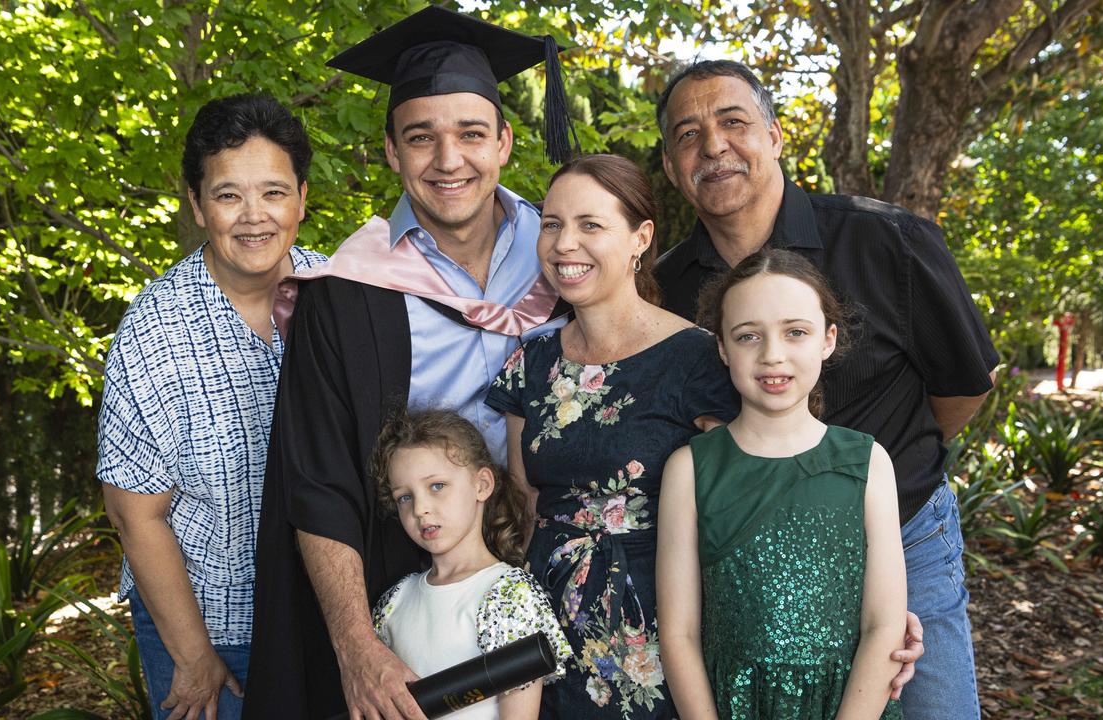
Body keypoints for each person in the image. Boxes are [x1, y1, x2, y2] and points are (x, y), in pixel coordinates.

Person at [241, 7, 581, 719]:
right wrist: (357, 645)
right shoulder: (349, 293)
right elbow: (318, 483)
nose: (448, 160)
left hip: (564, 580)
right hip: (411, 588)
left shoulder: (571, 260)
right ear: (392, 153)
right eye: (421, 138)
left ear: (506, 142)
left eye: (470, 134)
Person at [653, 60, 998, 719]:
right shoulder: (665, 292)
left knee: (935, 707)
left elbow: (965, 386)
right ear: (672, 166)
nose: (714, 146)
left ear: (776, 135)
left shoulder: (889, 242)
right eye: (688, 135)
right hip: (749, 567)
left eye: (733, 122)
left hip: (903, 531)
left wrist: (869, 474)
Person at [96, 93, 327, 720]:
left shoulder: (338, 298)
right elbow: (134, 513)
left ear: (302, 198)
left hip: (323, 623)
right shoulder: (154, 330)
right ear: (198, 206)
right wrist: (194, 655)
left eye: (274, 192)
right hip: (209, 626)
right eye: (229, 195)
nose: (254, 217)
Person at [485, 154, 740, 718]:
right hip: (543, 628)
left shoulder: (699, 359)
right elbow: (523, 503)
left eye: (590, 225)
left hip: (652, 629)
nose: (563, 243)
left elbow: (743, 512)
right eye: (551, 224)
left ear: (640, 238)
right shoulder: (533, 360)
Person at [657, 248, 907, 719]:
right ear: (723, 348)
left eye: (796, 332)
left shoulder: (867, 462)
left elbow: (884, 624)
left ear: (828, 340)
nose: (773, 355)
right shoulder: (690, 469)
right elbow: (679, 633)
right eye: (748, 336)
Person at [369, 410, 573, 719]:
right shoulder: (393, 602)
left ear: (482, 485)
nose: (420, 508)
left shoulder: (509, 595)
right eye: (404, 497)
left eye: (437, 486)